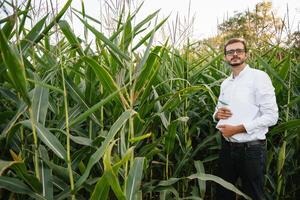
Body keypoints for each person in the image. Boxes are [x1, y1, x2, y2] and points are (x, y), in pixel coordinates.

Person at [213, 38, 278, 200]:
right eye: (230, 52)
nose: (234, 54)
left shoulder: (259, 77)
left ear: (246, 54)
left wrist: (237, 129)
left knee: (254, 194)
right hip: (227, 148)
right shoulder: (225, 84)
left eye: (238, 51)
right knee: (223, 194)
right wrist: (216, 115)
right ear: (225, 57)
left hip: (251, 150)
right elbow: (218, 110)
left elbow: (271, 116)